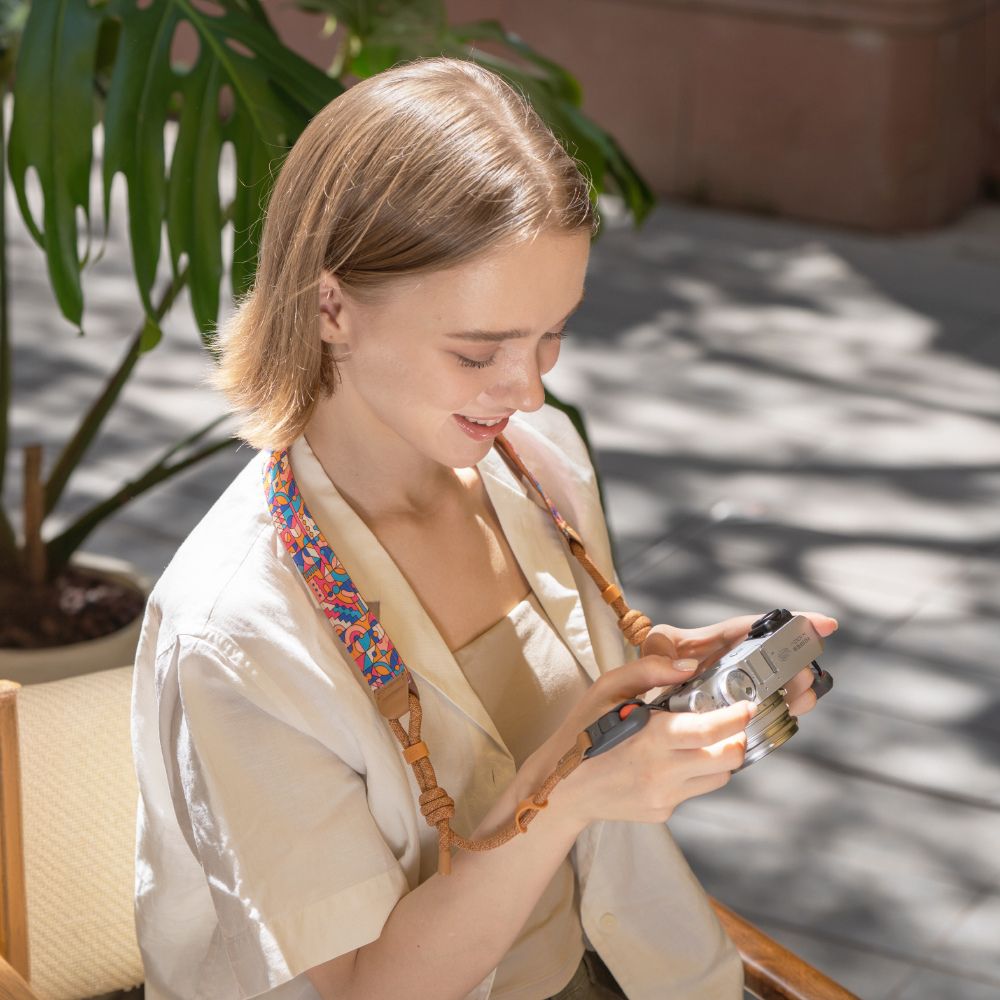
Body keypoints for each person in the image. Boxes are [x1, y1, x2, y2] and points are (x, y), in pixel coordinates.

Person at [130, 56, 837, 1000]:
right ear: (331, 306)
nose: (530, 389)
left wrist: (650, 685)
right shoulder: (238, 632)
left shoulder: (535, 465)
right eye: (478, 351)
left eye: (553, 334)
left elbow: (565, 758)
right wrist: (575, 795)